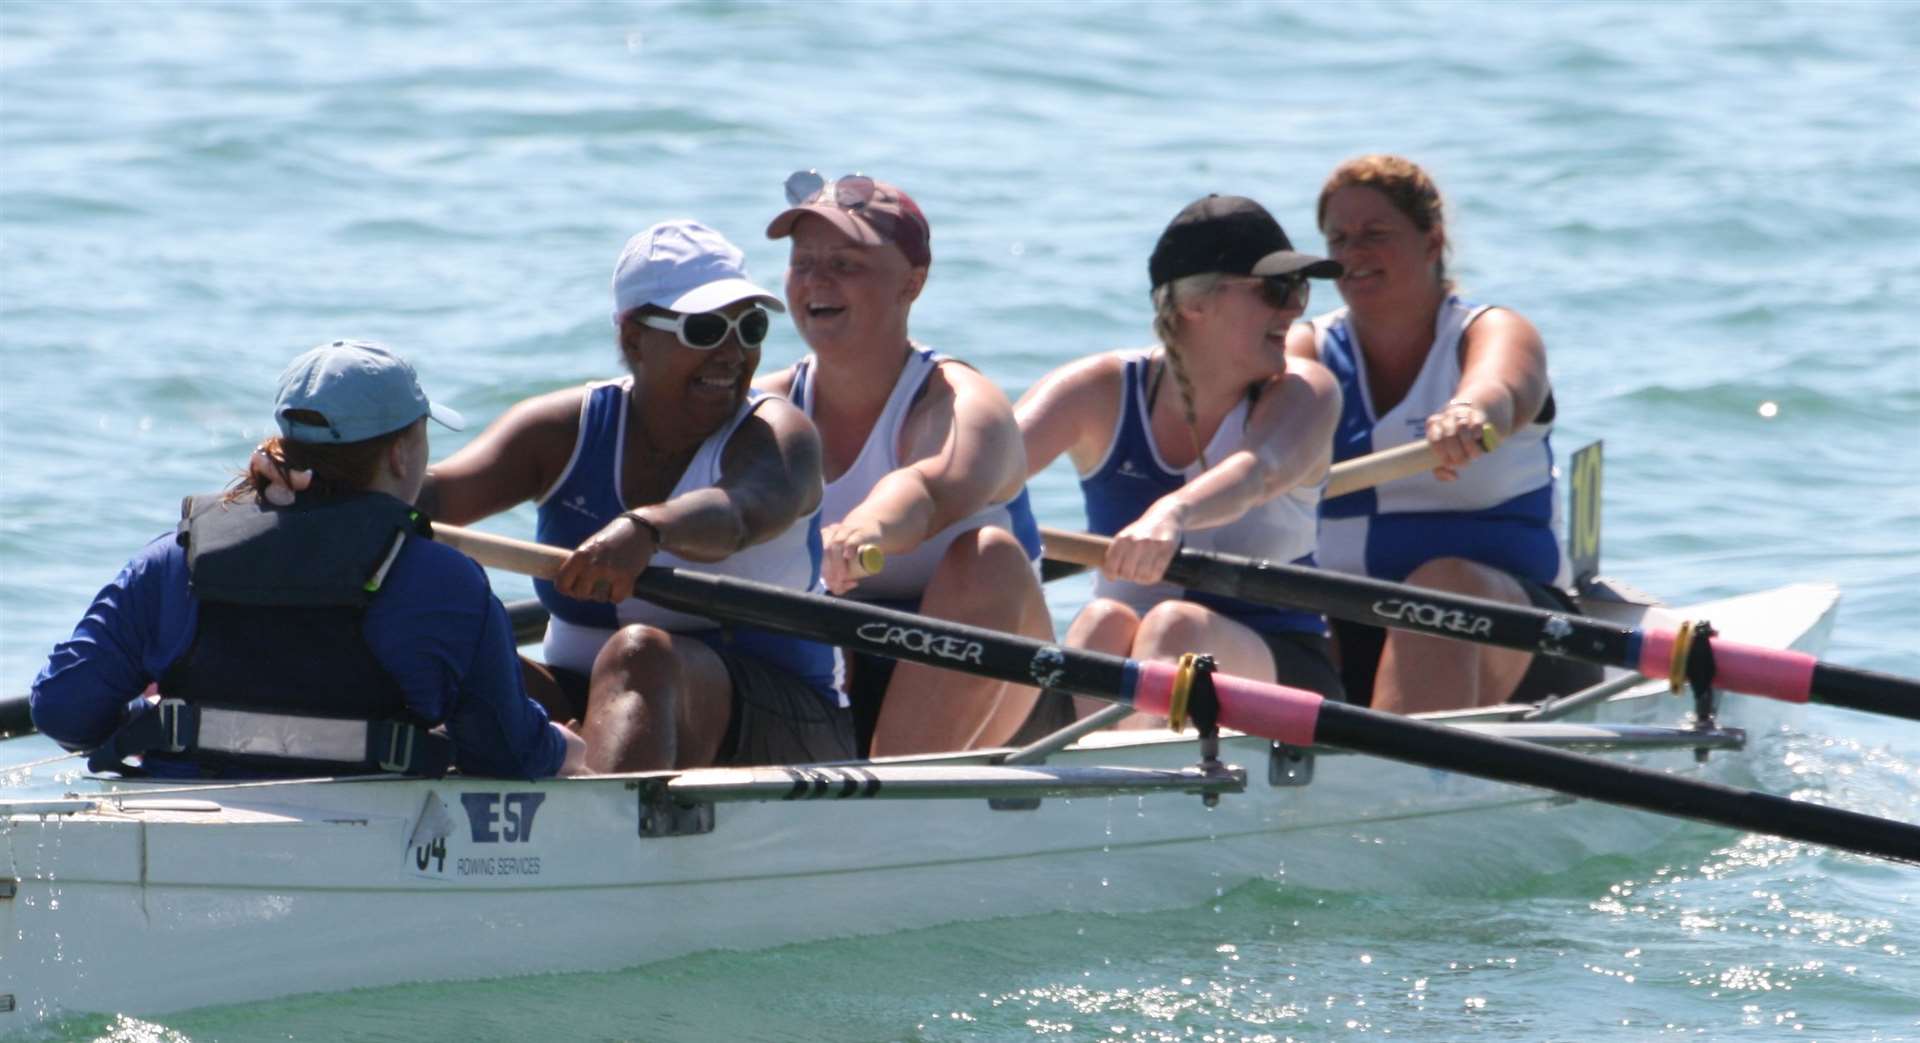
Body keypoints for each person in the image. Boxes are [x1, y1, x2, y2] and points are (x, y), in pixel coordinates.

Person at [31, 340, 586, 779]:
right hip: (367, 844)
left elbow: (62, 709)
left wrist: (150, 724)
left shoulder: (174, 561)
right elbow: (502, 753)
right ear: (399, 453)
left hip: (183, 819)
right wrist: (560, 746)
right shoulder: (446, 583)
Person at [417, 219, 854, 773]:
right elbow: (426, 497)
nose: (731, 353)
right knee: (443, 641)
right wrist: (311, 480)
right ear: (632, 338)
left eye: (749, 328)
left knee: (639, 656)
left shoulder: (780, 436)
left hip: (789, 726)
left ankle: (598, 831)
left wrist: (647, 529)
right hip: (599, 705)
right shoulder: (561, 431)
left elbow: (743, 512)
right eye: (703, 330)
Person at [758, 171, 1063, 757]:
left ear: (912, 283)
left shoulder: (964, 406)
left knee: (987, 560)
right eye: (803, 263)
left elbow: (926, 489)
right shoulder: (764, 409)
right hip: (839, 670)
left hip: (996, 688)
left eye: (845, 264)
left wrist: (864, 530)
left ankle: (889, 802)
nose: (816, 281)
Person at [1287, 154, 1602, 713]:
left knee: (1443, 584)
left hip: (1514, 639)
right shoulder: (1306, 351)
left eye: (1375, 233)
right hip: (1344, 635)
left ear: (1432, 243)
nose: (1352, 253)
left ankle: (1396, 779)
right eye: (1338, 238)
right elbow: (1258, 421)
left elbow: (1502, 388)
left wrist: (1470, 413)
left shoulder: (1491, 330)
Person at [1017, 194, 1347, 725]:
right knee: (1100, 620)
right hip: (1132, 669)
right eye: (1275, 289)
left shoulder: (1306, 393)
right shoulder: (1099, 392)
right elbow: (982, 469)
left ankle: (1112, 786)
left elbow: (1255, 472)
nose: (1294, 310)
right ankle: (1105, 781)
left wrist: (1170, 515)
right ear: (1194, 304)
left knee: (1176, 627)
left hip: (1282, 667)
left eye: (1300, 290)